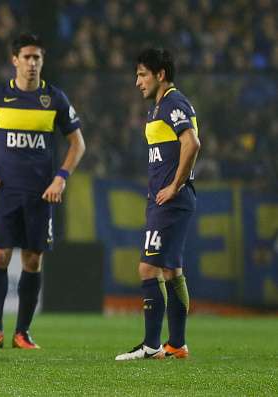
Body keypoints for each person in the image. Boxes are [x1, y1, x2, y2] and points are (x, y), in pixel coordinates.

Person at [0, 33, 85, 349]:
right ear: (15, 60)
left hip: (41, 195)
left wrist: (61, 178)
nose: (31, 63)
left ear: (42, 61)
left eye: (37, 58)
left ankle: (22, 333)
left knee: (32, 261)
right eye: (26, 57)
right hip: (5, 193)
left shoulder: (55, 99)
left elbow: (77, 143)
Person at [115, 48, 200, 360]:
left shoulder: (174, 102)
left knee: (147, 267)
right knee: (171, 269)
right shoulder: (159, 107)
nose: (137, 81)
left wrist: (174, 186)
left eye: (142, 74)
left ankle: (152, 345)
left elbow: (192, 143)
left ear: (160, 74)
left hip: (171, 201)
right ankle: (176, 344)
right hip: (167, 201)